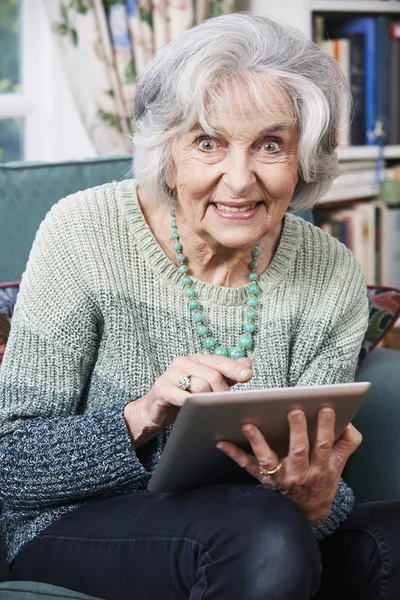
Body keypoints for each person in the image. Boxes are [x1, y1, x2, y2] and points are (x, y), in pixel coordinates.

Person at [0, 11, 399, 600]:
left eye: (270, 144)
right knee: (260, 534)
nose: (239, 181)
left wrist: (315, 498)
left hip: (262, 525)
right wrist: (145, 414)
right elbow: (11, 465)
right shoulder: (84, 232)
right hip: (69, 526)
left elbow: (321, 486)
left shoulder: (330, 270)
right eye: (208, 142)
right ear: (167, 150)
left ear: (303, 157)